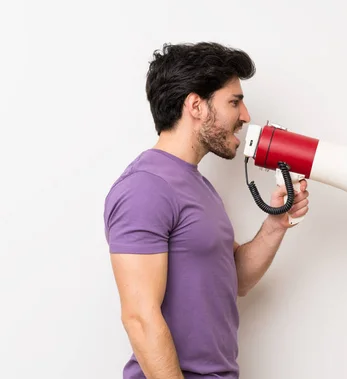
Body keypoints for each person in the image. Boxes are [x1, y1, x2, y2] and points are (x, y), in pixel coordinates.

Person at [103, 42, 309, 379]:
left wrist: (277, 221)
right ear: (196, 105)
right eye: (234, 102)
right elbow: (140, 317)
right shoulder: (145, 187)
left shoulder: (198, 186)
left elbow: (236, 279)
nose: (245, 116)